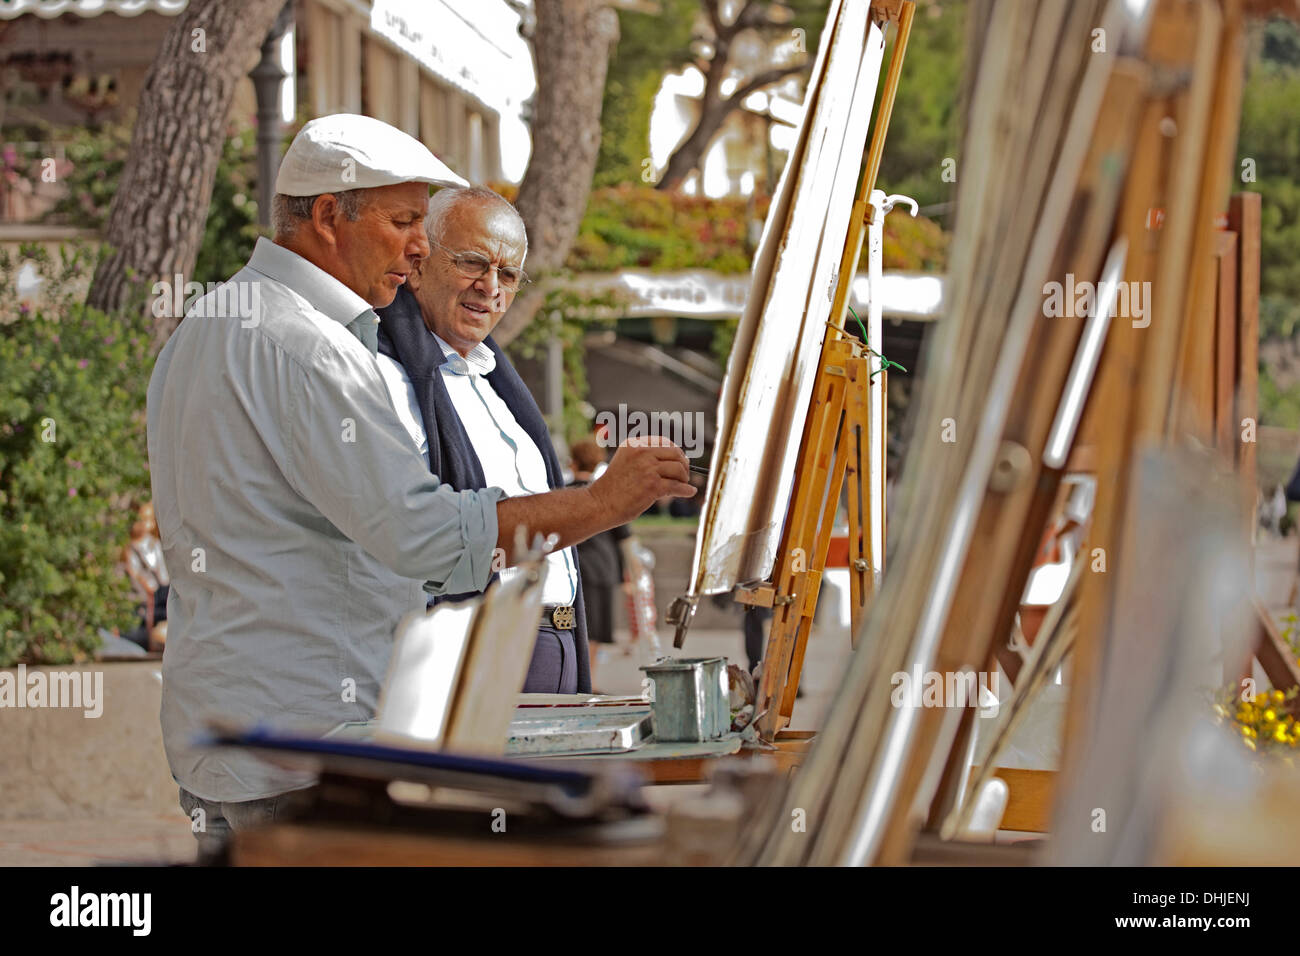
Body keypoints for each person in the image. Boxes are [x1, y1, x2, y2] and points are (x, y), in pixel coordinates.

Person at [146, 114, 695, 856]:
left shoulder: (206, 325)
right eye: (404, 220)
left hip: (232, 731)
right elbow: (426, 536)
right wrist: (600, 503)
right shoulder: (310, 347)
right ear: (329, 215)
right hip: (308, 738)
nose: (417, 243)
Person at [375, 185, 626, 695]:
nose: (491, 287)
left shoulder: (495, 382)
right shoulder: (387, 374)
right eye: (473, 263)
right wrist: (603, 501)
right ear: (419, 263)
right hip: (473, 656)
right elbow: (434, 533)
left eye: (508, 274)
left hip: (556, 642)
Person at [566, 440, 632, 687]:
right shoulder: (605, 492)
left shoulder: (562, 492)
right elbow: (624, 537)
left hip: (576, 566)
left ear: (573, 462)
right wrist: (630, 574)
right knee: (595, 631)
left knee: (578, 626)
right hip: (605, 567)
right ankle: (589, 679)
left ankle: (581, 680)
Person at [121, 501, 169, 651]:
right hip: (140, 608)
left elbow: (164, 577)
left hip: (160, 602)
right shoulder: (127, 549)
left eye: (149, 519)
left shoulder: (156, 545)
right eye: (141, 519)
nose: (144, 524)